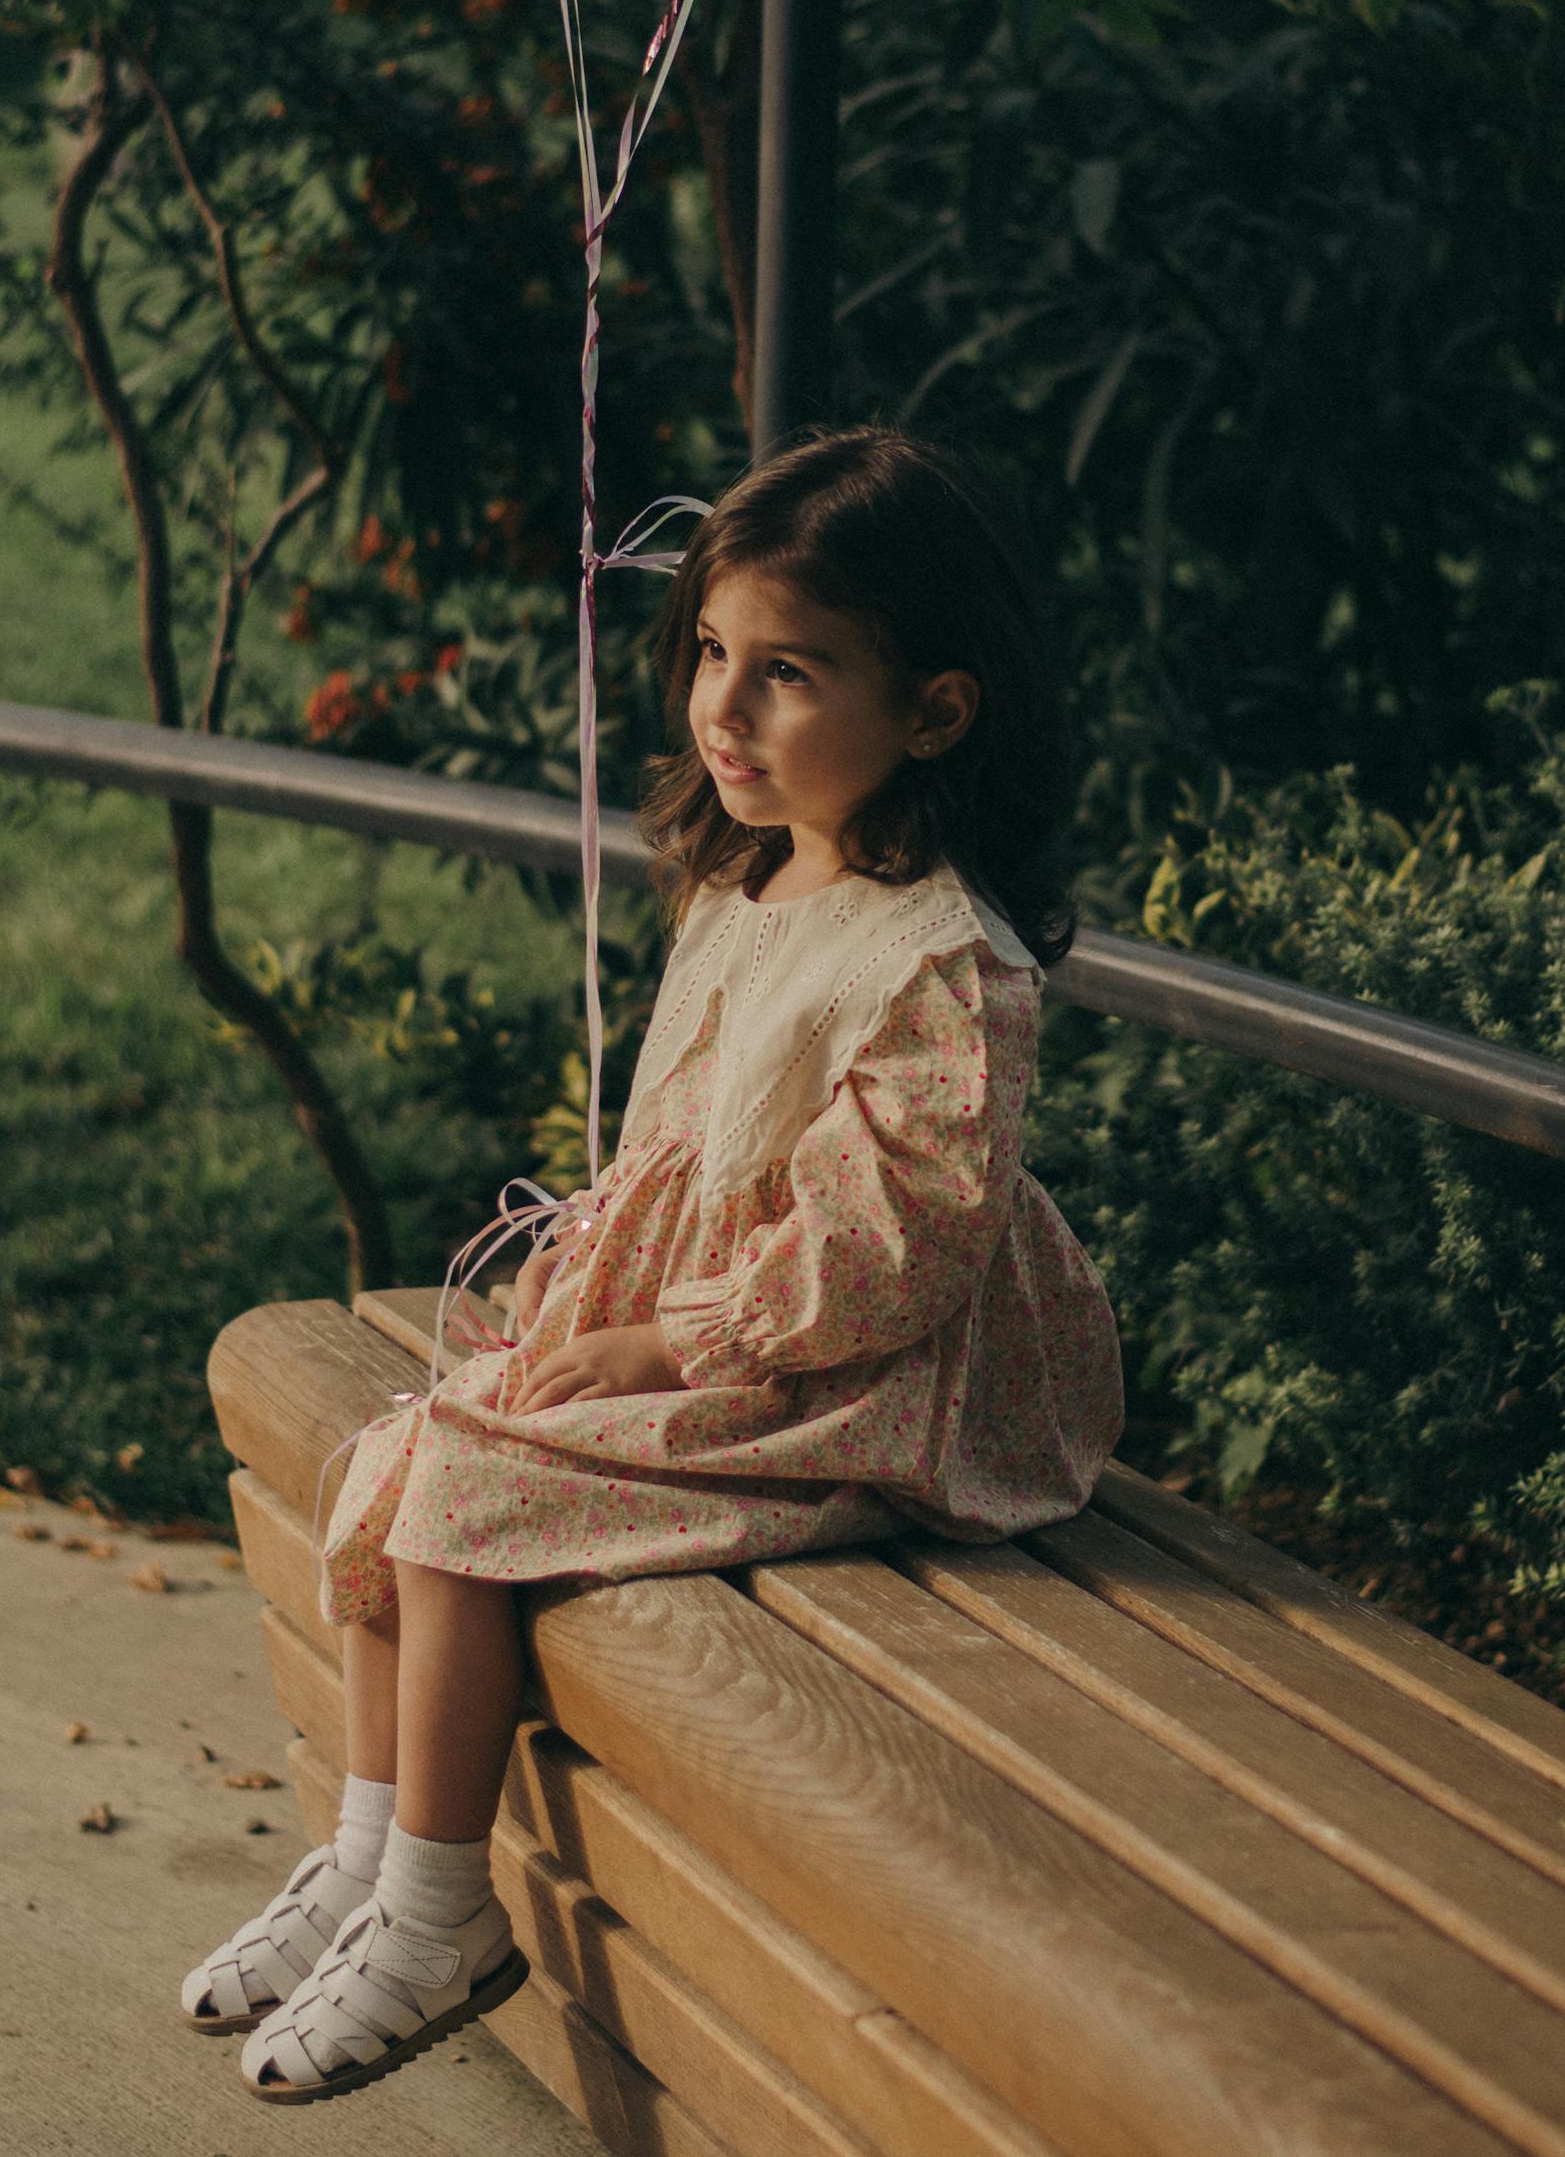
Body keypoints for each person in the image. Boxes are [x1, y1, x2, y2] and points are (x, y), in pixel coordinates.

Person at [179, 422, 1125, 2104]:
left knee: (469, 1507)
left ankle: (442, 1918)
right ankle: (372, 1849)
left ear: (934, 710)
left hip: (860, 1383)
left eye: (788, 674)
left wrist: (670, 1344)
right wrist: (591, 1299)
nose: (725, 707)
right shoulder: (751, 874)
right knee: (404, 1455)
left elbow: (888, 1249)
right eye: (711, 654)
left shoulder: (940, 964)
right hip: (725, 1327)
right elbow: (685, 1154)